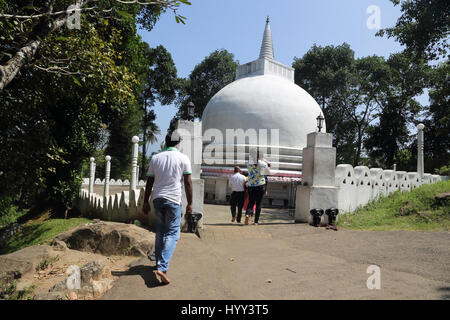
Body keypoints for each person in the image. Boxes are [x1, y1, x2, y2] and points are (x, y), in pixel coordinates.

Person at [143, 133, 193, 285]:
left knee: (160, 232)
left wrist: (145, 201)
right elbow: (188, 182)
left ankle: (159, 262)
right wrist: (190, 203)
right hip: (173, 201)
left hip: (158, 200)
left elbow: (149, 182)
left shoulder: (155, 158)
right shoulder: (183, 158)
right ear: (178, 143)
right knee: (172, 233)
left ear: (166, 142)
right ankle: (162, 267)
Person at [245, 151, 270, 225]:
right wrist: (268, 164)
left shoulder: (248, 163)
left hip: (251, 185)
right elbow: (267, 173)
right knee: (258, 204)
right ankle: (256, 221)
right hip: (260, 185)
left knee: (251, 202)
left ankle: (247, 215)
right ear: (259, 157)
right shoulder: (263, 164)